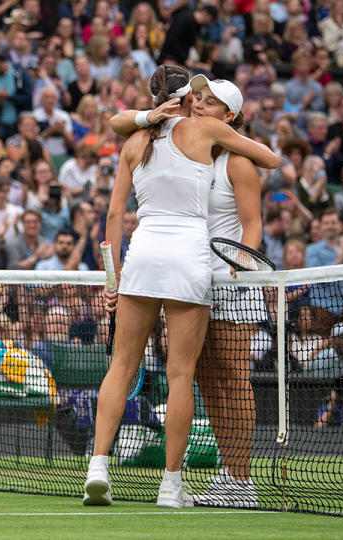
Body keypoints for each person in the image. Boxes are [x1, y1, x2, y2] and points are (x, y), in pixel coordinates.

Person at [86, 65, 279, 508]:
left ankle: (234, 477)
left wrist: (112, 277)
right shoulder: (197, 132)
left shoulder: (149, 141)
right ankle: (172, 486)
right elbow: (276, 158)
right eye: (198, 97)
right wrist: (154, 117)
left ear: (228, 114)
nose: (201, 102)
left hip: (209, 275)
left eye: (211, 100)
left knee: (224, 379)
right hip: (190, 267)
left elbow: (115, 213)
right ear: (181, 100)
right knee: (192, 377)